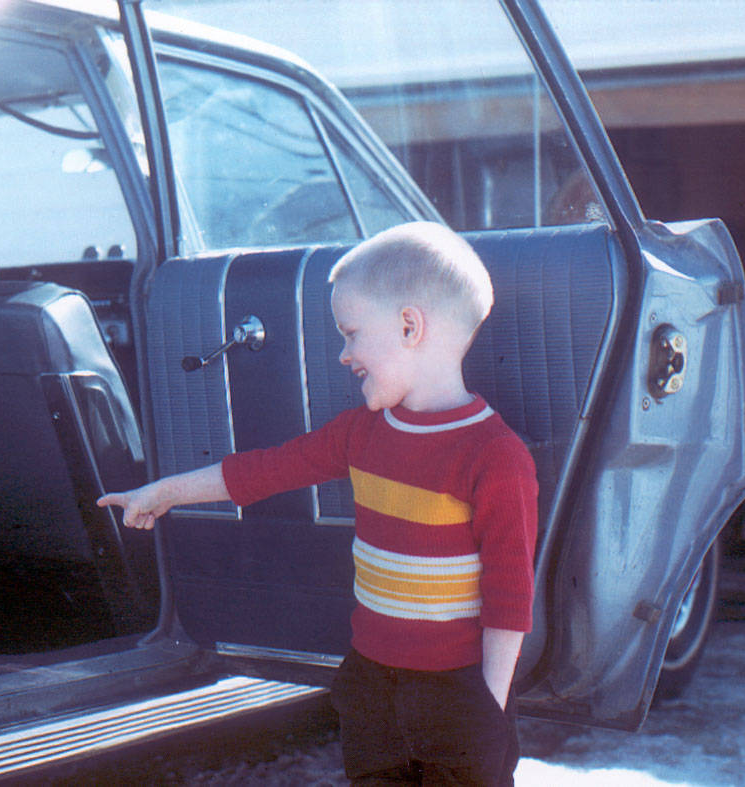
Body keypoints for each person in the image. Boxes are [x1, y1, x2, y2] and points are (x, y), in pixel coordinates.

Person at [98, 221, 537, 786]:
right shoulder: (361, 433)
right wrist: (164, 493)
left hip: (458, 695)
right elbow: (263, 470)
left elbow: (509, 599)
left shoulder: (493, 455)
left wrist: (489, 708)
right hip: (373, 687)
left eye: (352, 333)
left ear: (410, 326)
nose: (343, 354)